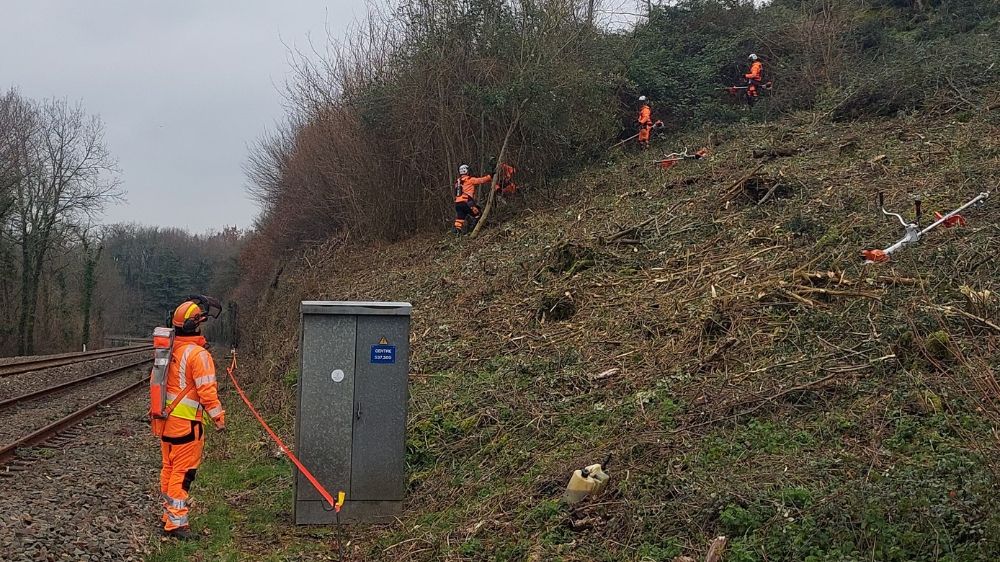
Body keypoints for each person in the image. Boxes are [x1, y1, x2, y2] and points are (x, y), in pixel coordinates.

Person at [159, 298, 225, 539]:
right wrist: (219, 418)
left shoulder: (171, 349)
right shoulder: (198, 355)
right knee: (183, 473)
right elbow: (207, 390)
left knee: (169, 468)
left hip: (166, 423)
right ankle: (177, 524)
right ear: (197, 324)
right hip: (186, 425)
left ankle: (168, 517)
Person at [453, 164, 492, 234]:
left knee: (459, 219)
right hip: (467, 202)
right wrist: (490, 176)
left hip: (458, 204)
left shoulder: (457, 181)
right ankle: (475, 229)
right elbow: (481, 180)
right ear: (466, 171)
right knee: (478, 214)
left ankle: (457, 232)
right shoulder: (469, 179)